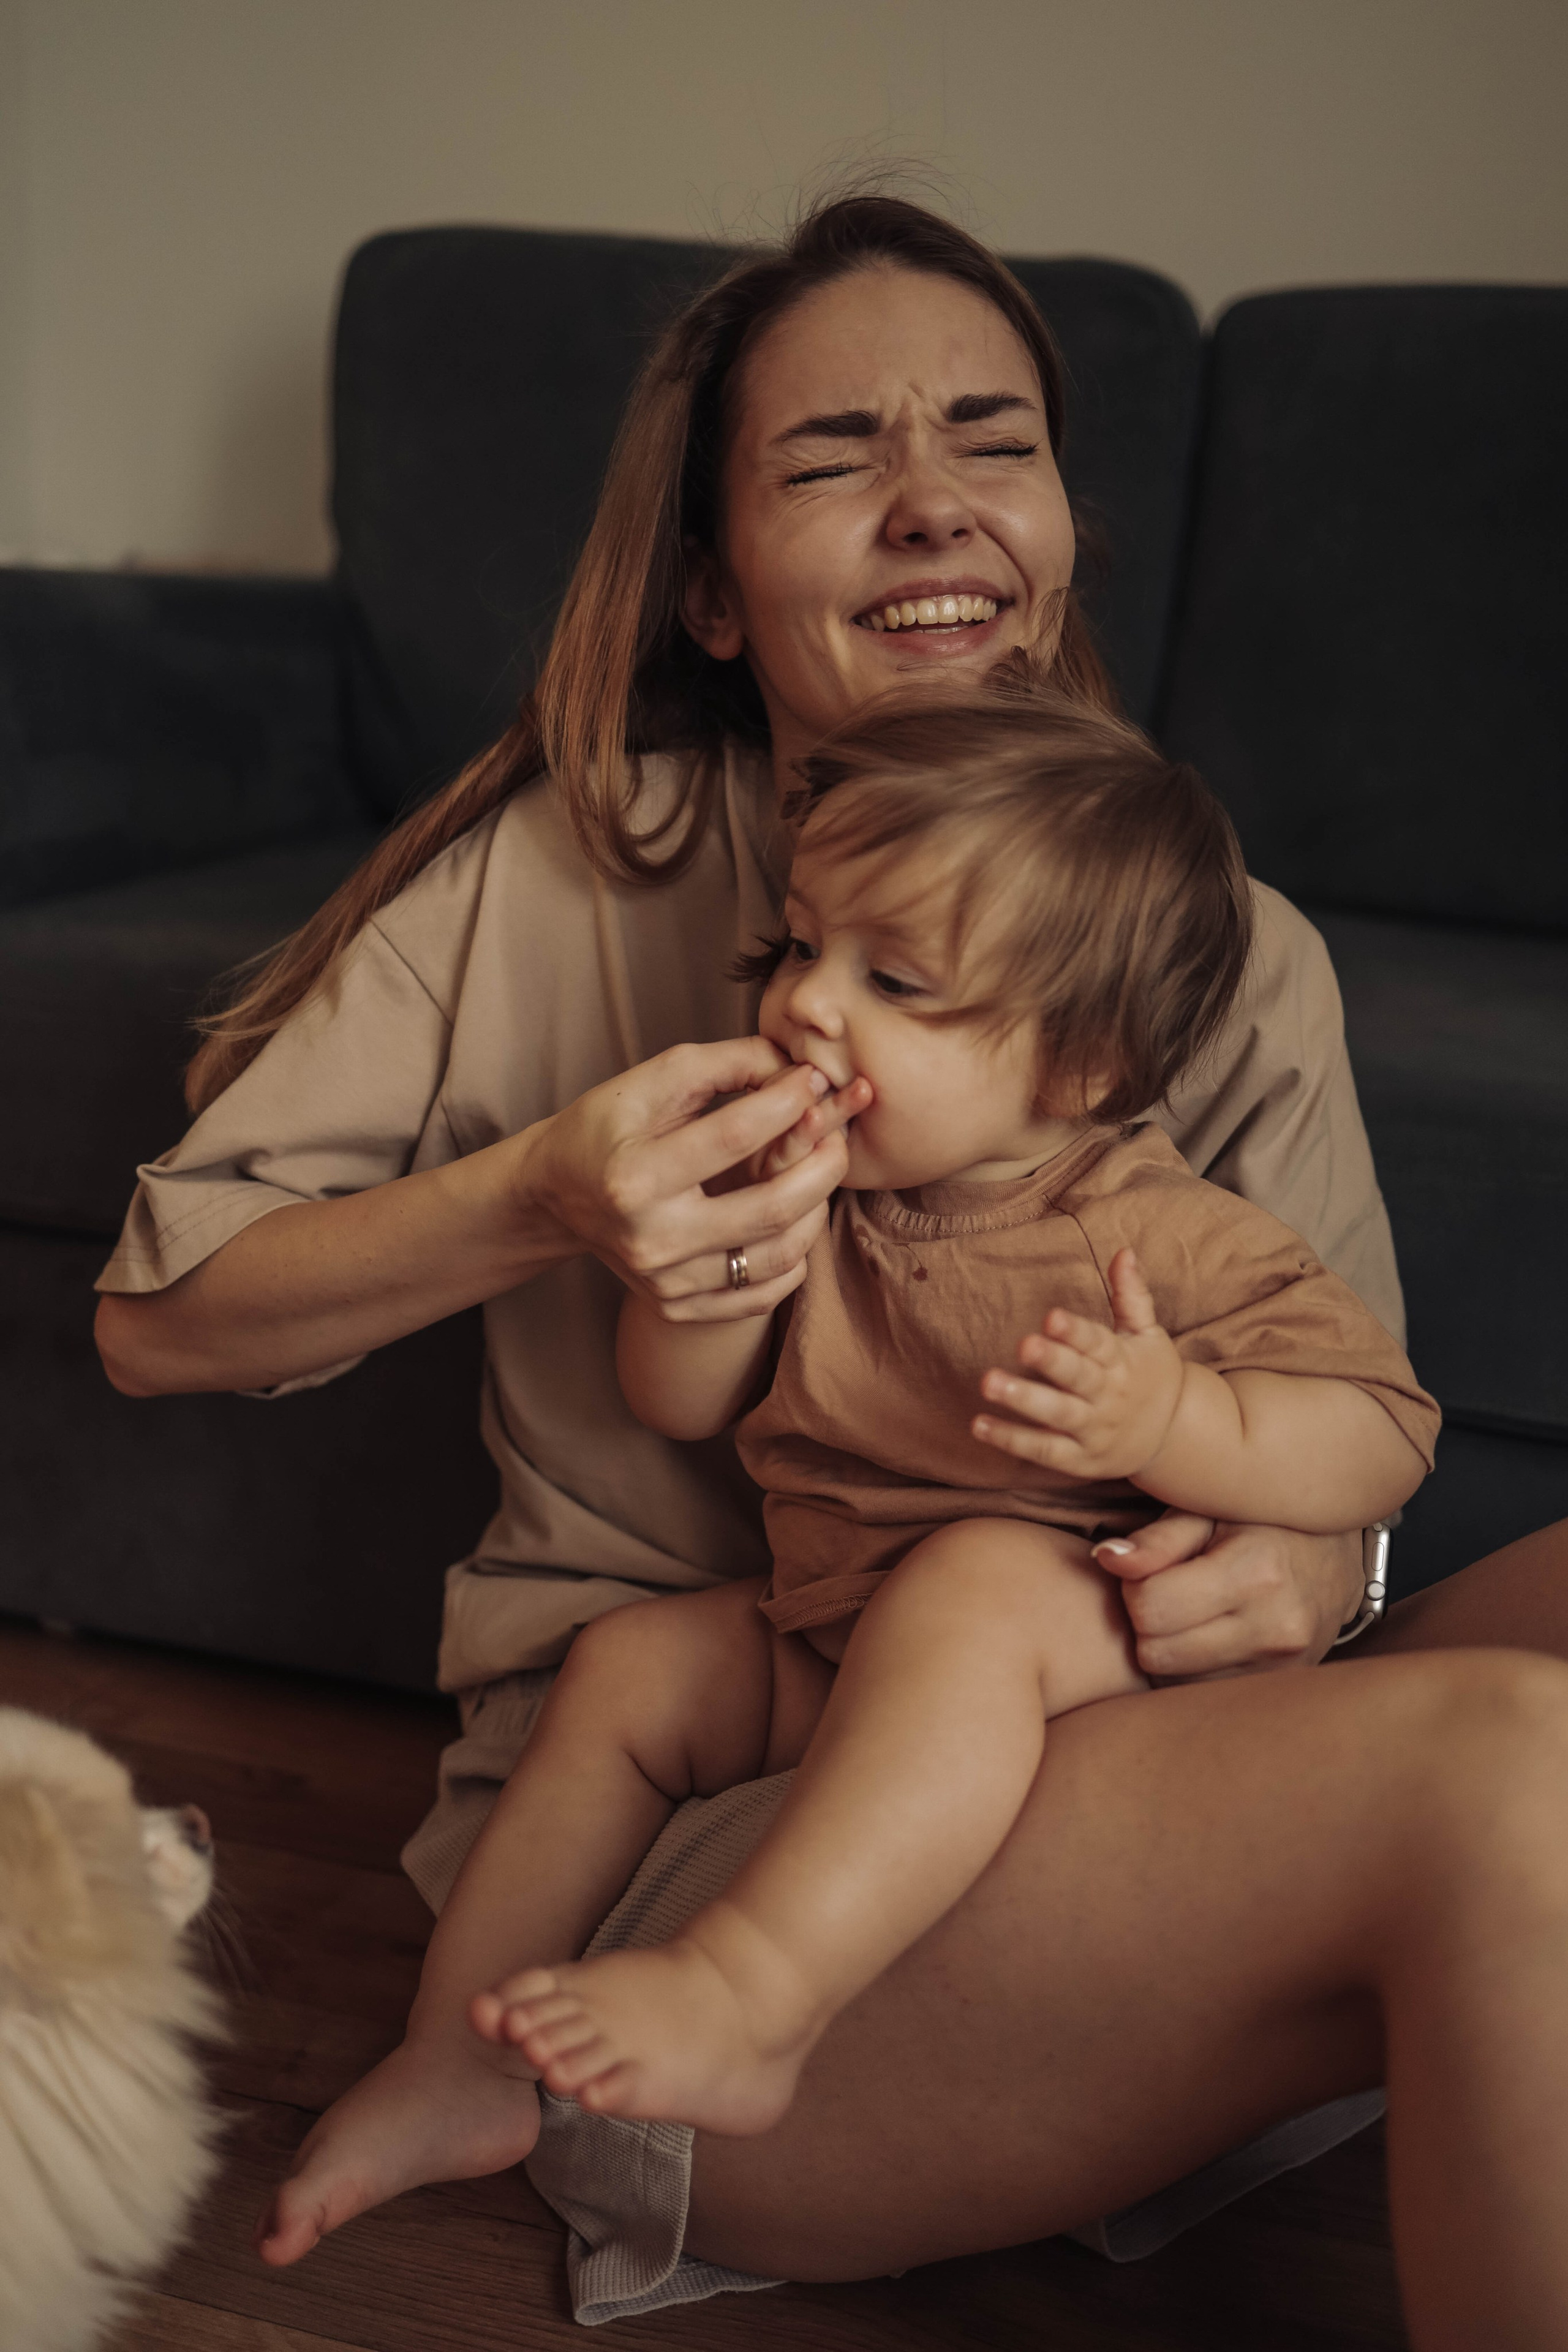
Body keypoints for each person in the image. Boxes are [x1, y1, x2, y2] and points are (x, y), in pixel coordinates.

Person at [93, 190, 1568, 2345]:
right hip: (724, 1856)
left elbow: (1350, 1435)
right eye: (828, 458)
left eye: (991, 438)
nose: (931, 505)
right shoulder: (578, 872)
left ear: (1064, 522)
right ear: (706, 581)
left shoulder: (1214, 949)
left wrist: (1311, 1565)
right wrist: (549, 1199)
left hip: (1134, 1745)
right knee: (1505, 1776)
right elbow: (153, 1330)